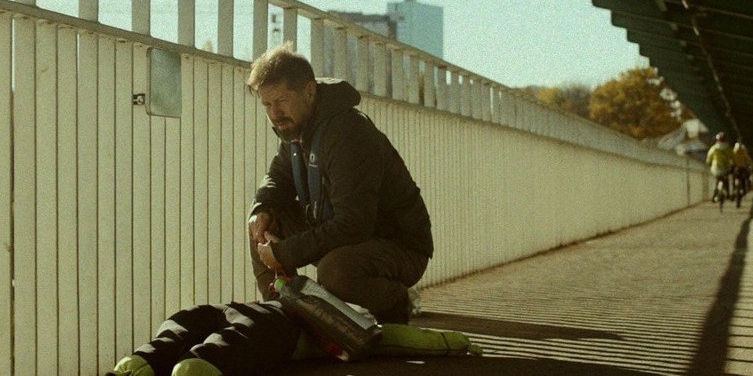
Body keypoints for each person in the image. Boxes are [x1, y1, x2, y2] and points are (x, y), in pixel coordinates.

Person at [245, 42, 434, 324]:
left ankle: (396, 301)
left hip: (398, 245)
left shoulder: (348, 133)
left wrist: (284, 253)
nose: (274, 113)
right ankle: (283, 316)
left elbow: (354, 224)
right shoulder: (296, 127)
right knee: (262, 225)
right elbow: (278, 178)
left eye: (282, 101)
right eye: (267, 104)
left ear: (309, 91)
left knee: (335, 272)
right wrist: (262, 208)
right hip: (345, 235)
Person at [106, 299, 482, 375]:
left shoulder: (302, 297)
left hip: (229, 306)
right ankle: (196, 367)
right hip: (274, 325)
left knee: (181, 327)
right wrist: (457, 342)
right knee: (232, 345)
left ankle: (138, 363)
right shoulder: (355, 328)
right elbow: (403, 338)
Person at [705, 132, 734, 202]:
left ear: (717, 139)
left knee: (716, 180)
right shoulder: (728, 148)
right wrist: (733, 164)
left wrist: (708, 163)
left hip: (716, 168)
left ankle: (714, 195)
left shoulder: (714, 148)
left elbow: (709, 158)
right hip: (725, 167)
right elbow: (733, 157)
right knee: (726, 180)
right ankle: (728, 194)